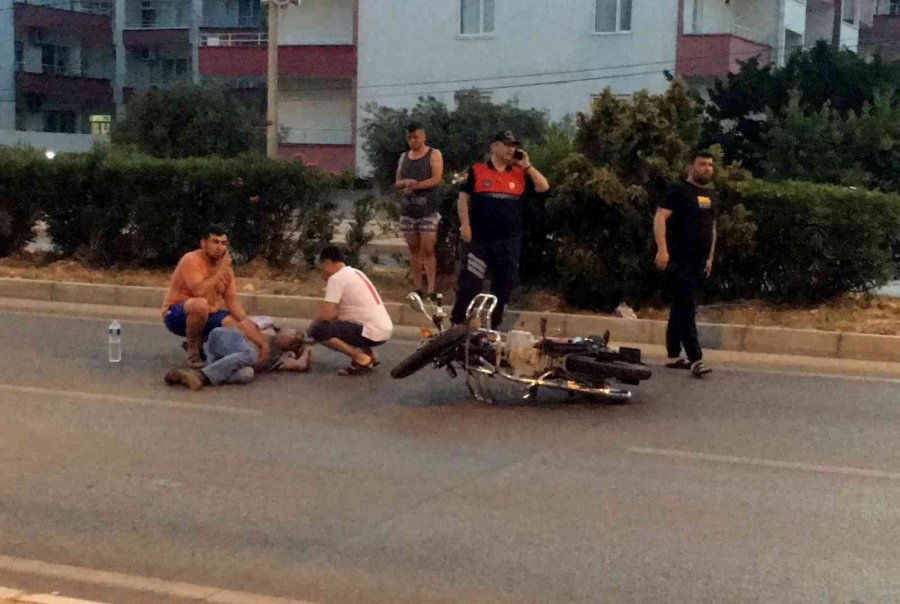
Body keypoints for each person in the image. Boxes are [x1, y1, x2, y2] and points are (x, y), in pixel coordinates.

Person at [450, 131, 550, 330]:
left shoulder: (519, 174)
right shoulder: (477, 170)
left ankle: (492, 327)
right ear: (494, 147)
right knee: (470, 283)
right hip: (480, 239)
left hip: (507, 241)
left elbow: (543, 187)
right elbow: (463, 198)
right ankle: (458, 322)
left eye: (513, 145)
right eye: (506, 145)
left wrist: (527, 166)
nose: (511, 149)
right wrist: (465, 225)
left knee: (503, 286)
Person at [161, 224, 268, 368]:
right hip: (177, 314)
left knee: (238, 327)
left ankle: (209, 346)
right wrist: (221, 271)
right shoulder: (191, 260)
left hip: (209, 314)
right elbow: (199, 291)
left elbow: (237, 310)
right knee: (200, 305)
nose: (220, 247)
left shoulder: (227, 272)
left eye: (223, 243)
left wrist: (262, 344)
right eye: (215, 242)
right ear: (203, 243)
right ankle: (193, 350)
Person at [654, 150, 718, 379]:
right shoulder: (678, 191)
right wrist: (662, 250)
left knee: (680, 306)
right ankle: (696, 358)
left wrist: (709, 257)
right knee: (687, 307)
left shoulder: (711, 195)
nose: (707, 168)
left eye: (710, 165)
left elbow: (712, 228)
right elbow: (660, 217)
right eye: (703, 164)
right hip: (678, 260)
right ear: (691, 166)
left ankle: (673, 354)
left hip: (698, 261)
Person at [309, 246, 393, 376]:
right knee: (346, 324)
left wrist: (311, 328)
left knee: (320, 330)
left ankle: (360, 358)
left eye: (321, 268)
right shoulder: (355, 272)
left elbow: (327, 314)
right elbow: (341, 315)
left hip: (370, 331)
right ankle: (369, 355)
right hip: (383, 329)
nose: (322, 274)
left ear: (327, 263)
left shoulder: (336, 279)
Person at [164, 323, 310, 390]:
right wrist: (259, 341)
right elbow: (241, 323)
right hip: (224, 339)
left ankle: (194, 375)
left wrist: (306, 351)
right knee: (250, 354)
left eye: (296, 339)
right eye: (294, 332)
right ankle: (201, 375)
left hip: (222, 360)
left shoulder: (279, 358)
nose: (293, 336)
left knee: (247, 374)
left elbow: (301, 365)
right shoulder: (267, 328)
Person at [395, 121, 444, 300]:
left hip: (428, 209)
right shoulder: (404, 157)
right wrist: (405, 184)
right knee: (414, 250)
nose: (413, 141)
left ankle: (431, 288)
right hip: (408, 210)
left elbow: (437, 178)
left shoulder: (434, 154)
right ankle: (417, 287)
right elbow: (397, 181)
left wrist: (417, 185)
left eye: (415, 137)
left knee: (428, 248)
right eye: (409, 137)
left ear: (423, 136)